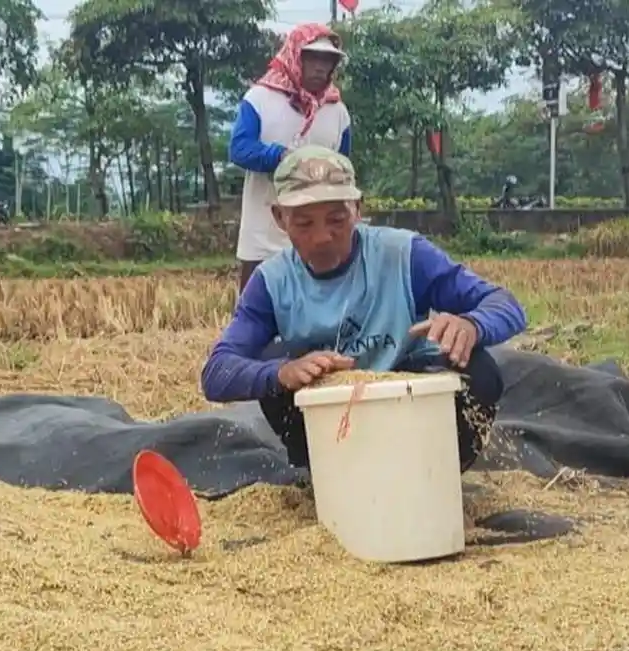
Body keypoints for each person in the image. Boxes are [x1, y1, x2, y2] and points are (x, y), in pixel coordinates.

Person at [200, 146, 527, 474]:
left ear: (358, 209)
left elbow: (506, 305)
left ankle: (436, 476)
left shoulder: (403, 255)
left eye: (337, 220)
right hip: (329, 414)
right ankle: (327, 476)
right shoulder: (272, 282)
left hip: (406, 395)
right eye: (304, 223)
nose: (322, 237)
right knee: (270, 363)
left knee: (478, 367)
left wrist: (471, 324)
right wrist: (282, 373)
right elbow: (217, 373)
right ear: (279, 218)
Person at [230, 23, 352, 295]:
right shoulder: (260, 98)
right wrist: (280, 156)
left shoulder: (337, 110)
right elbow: (239, 148)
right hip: (264, 229)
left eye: (328, 60)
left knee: (318, 310)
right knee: (254, 310)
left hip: (319, 237)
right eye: (313, 58)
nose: (321, 67)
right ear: (296, 56)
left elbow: (344, 168)